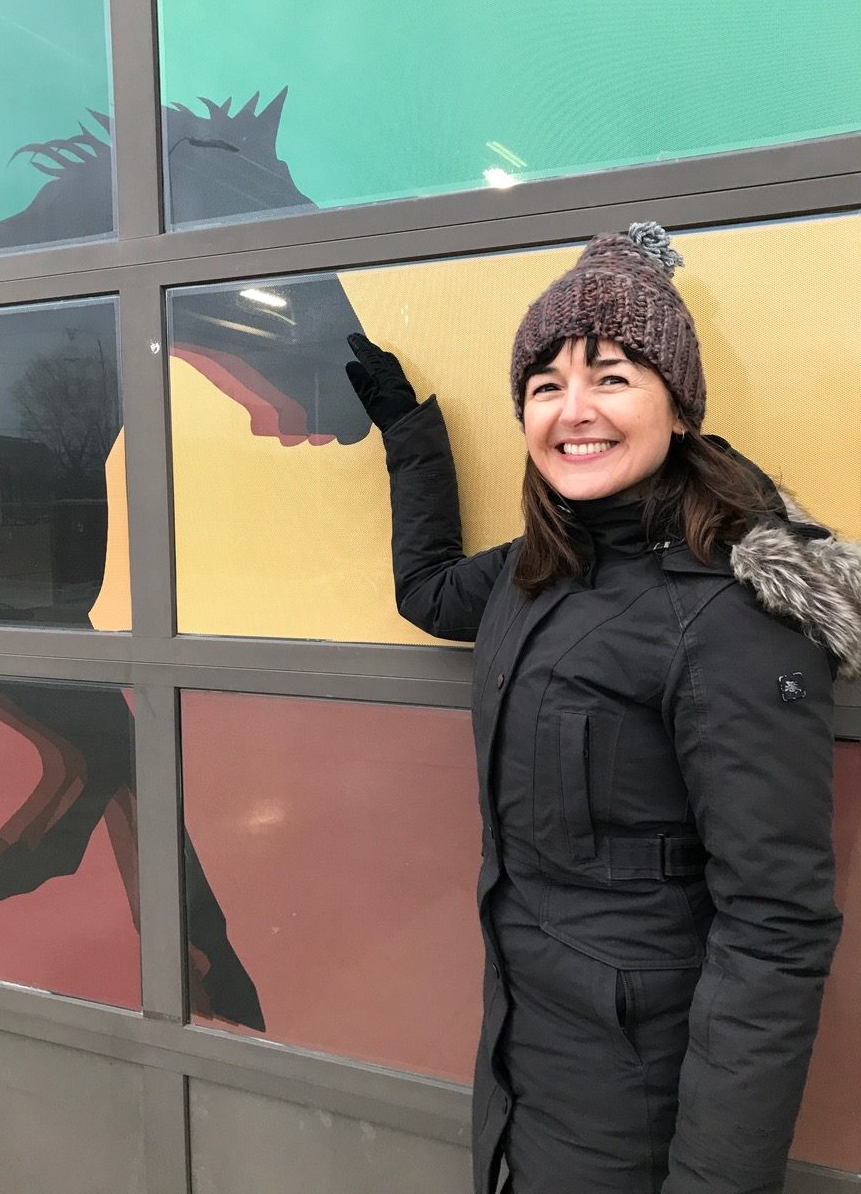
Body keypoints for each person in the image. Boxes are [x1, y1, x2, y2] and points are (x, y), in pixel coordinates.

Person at [344, 222, 860, 1194]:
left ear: (679, 404)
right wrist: (410, 433)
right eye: (545, 386)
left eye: (612, 376)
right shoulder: (539, 570)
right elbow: (428, 589)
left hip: (639, 1099)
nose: (572, 411)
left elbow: (775, 933)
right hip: (520, 1057)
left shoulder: (731, 613)